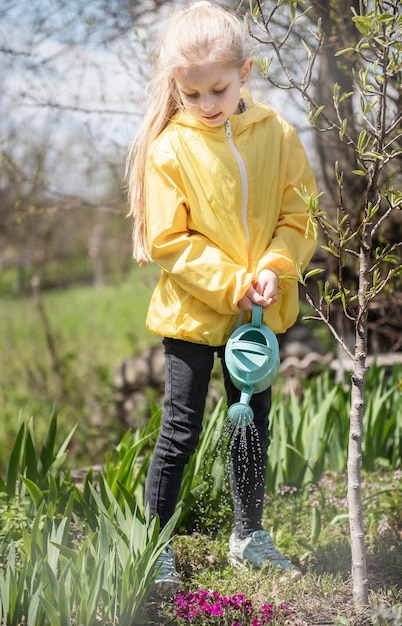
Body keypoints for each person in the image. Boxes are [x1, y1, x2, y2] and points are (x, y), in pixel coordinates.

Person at [126, 0, 316, 592]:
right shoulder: (169, 152)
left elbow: (299, 212)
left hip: (255, 314)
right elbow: (169, 242)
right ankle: (156, 544)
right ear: (175, 89)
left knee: (251, 422)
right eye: (193, 95)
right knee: (180, 428)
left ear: (246, 74)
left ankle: (249, 536)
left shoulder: (277, 133)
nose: (208, 105)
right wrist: (234, 281)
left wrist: (277, 267)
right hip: (192, 313)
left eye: (219, 89)